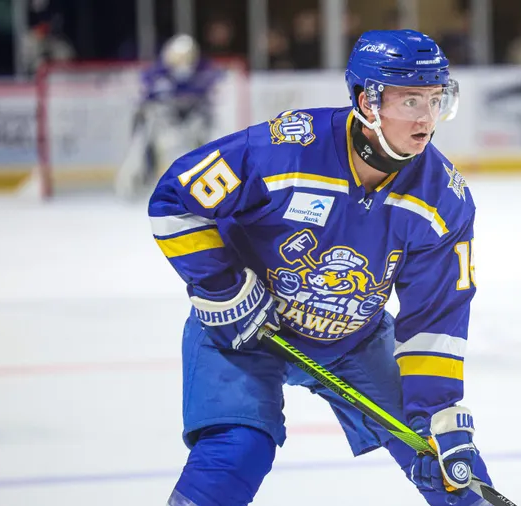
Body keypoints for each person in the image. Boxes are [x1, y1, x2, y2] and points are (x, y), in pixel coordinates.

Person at [148, 29, 493, 506]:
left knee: (448, 464)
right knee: (236, 451)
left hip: (354, 339)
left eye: (436, 100)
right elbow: (175, 199)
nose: (427, 119)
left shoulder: (443, 200)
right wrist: (222, 287)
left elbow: (436, 318)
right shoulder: (286, 150)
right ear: (367, 101)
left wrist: (438, 412)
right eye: (411, 101)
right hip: (245, 328)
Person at [116, 34, 223, 199]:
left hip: (191, 120)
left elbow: (210, 98)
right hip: (164, 120)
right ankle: (142, 179)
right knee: (145, 143)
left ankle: (205, 179)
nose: (182, 61)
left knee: (207, 142)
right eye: (178, 57)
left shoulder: (204, 72)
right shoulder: (157, 75)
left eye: (186, 57)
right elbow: (145, 102)